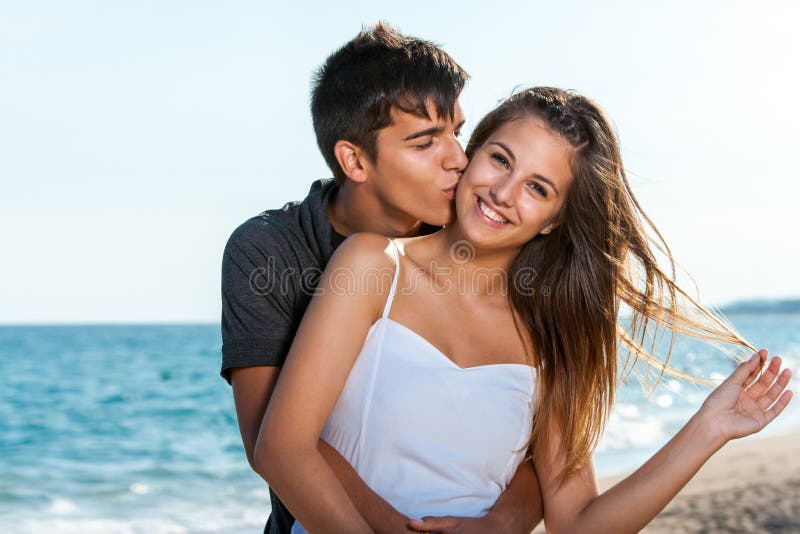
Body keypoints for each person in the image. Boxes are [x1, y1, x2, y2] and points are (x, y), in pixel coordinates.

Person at [255, 86, 793, 533]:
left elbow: (577, 522)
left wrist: (707, 430)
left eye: (537, 187)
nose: (504, 192)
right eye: (499, 159)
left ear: (556, 218)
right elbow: (283, 448)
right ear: (471, 154)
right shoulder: (374, 265)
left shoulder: (553, 333)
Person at [221, 23, 543, 533]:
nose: (459, 159)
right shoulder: (268, 250)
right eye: (425, 142)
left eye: (457, 132)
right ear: (354, 160)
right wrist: (393, 527)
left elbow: (537, 445)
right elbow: (269, 440)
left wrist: (501, 523)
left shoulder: (478, 229)